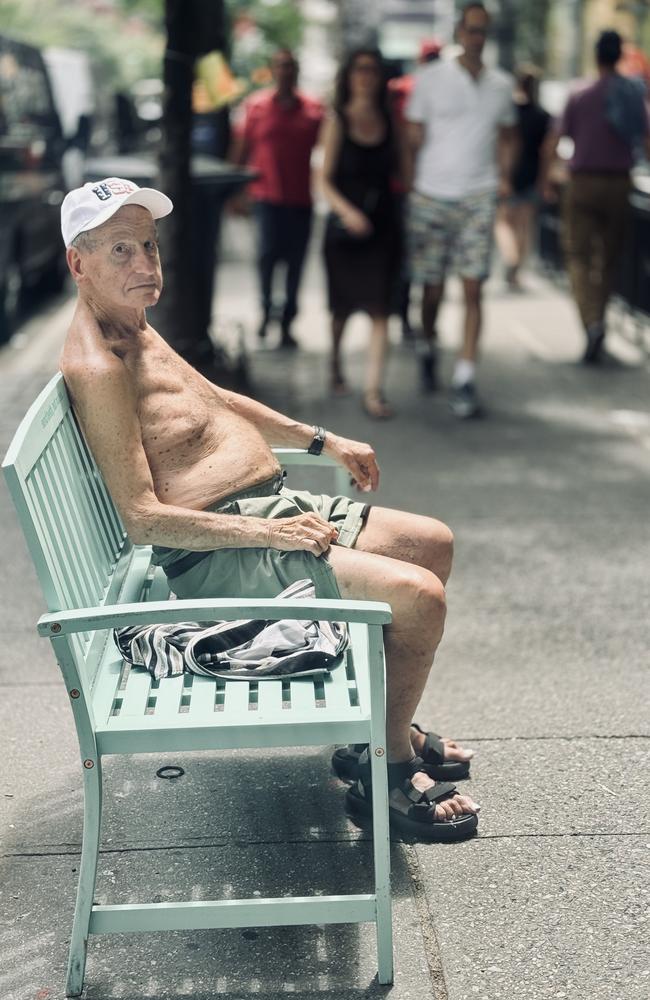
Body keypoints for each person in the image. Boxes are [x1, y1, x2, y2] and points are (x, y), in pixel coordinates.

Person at [58, 176, 480, 843]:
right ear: (77, 263)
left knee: (433, 542)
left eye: (148, 244)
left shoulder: (134, 324)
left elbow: (217, 401)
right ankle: (387, 768)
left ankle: (378, 728)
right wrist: (272, 532)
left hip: (272, 511)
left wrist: (322, 440)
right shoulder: (101, 365)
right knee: (420, 597)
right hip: (224, 554)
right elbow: (141, 517)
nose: (144, 264)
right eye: (119, 250)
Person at [405, 2, 518, 417]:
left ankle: (466, 377)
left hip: (478, 196)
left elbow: (508, 137)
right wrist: (411, 188)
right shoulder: (430, 79)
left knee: (473, 288)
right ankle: (429, 343)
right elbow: (411, 137)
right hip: (431, 195)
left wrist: (504, 176)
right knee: (431, 289)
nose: (477, 38)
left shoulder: (502, 85)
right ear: (458, 32)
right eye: (471, 30)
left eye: (483, 31)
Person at [541, 30, 650, 363]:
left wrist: (547, 177)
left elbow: (554, 141)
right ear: (618, 55)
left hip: (583, 182)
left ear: (595, 54)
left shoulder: (580, 93)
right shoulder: (634, 93)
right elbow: (646, 139)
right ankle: (598, 320)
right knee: (609, 259)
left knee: (576, 255)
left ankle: (591, 321)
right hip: (620, 182)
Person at [320, 48, 406, 419]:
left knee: (381, 310)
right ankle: (336, 363)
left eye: (373, 70)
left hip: (384, 227)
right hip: (344, 228)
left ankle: (374, 391)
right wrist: (348, 211)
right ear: (349, 75)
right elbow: (321, 179)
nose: (366, 77)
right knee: (342, 309)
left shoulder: (391, 120)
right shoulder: (337, 120)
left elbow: (404, 172)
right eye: (360, 70)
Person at [231, 49, 323, 348]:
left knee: (295, 263)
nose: (286, 71)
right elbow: (241, 151)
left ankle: (287, 323)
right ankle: (265, 311)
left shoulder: (313, 109)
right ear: (273, 69)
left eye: (291, 66)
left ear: (296, 71)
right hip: (266, 197)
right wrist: (235, 192)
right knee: (267, 258)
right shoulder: (256, 106)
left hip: (300, 199)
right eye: (281, 66)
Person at [389, 38, 443, 340]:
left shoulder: (402, 89)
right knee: (418, 259)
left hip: (419, 188)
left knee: (412, 258)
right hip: (411, 188)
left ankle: (410, 317)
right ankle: (413, 318)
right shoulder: (405, 90)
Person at [494, 65, 551, 292]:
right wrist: (544, 181)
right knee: (523, 226)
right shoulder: (542, 115)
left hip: (509, 174)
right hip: (530, 175)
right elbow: (546, 151)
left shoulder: (510, 114)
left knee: (504, 222)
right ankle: (515, 269)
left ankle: (511, 259)